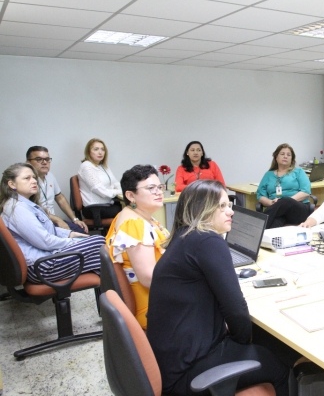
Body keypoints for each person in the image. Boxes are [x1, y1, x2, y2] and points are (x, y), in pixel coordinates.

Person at [146, 180, 300, 395]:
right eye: (222, 206)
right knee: (279, 364)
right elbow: (235, 308)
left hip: (174, 361)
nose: (230, 212)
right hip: (188, 375)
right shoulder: (207, 241)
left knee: (264, 343)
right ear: (202, 209)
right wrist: (242, 343)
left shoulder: (185, 237)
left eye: (229, 205)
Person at [0, 163, 105, 284]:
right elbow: (45, 241)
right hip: (41, 268)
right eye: (27, 178)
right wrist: (74, 242)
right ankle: (116, 292)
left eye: (34, 177)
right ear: (12, 184)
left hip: (46, 260)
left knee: (102, 259)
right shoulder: (18, 209)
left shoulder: (24, 204)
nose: (34, 181)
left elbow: (47, 230)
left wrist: (70, 234)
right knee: (99, 242)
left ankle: (111, 293)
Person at [105, 165, 169, 330]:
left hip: (156, 300)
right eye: (151, 188)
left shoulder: (128, 215)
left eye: (160, 187)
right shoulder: (135, 225)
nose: (159, 192)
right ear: (130, 195)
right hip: (154, 308)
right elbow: (148, 278)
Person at [26, 146, 88, 233]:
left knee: (81, 229)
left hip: (53, 221)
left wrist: (75, 219)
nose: (44, 162)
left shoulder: (50, 176)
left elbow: (60, 198)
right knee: (76, 236)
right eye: (39, 159)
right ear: (28, 162)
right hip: (39, 223)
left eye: (47, 159)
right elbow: (31, 209)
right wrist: (57, 219)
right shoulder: (26, 181)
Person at [257, 143, 311, 228]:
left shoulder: (299, 172)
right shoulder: (268, 175)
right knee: (273, 226)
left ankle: (257, 226)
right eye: (282, 154)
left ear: (292, 159)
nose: (285, 156)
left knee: (286, 201)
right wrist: (270, 202)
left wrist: (285, 202)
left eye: (288, 155)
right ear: (276, 157)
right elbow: (260, 195)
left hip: (298, 209)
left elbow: (306, 192)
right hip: (278, 211)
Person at [77, 138, 122, 221]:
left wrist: (122, 189)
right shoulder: (86, 166)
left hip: (106, 204)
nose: (100, 152)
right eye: (96, 149)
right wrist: (119, 192)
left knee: (132, 206)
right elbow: (100, 191)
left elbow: (115, 182)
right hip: (94, 208)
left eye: (102, 149)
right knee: (128, 210)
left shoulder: (103, 166)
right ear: (89, 152)